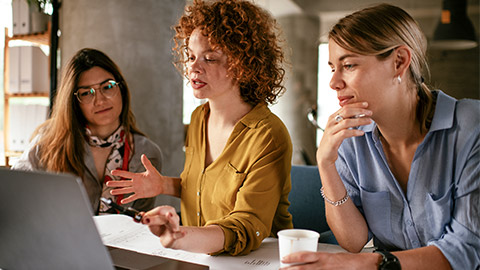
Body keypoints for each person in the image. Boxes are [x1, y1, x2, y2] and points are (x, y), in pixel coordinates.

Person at [282, 3, 480, 270]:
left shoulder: (470, 127)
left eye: (349, 65)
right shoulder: (351, 140)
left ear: (399, 61)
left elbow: (466, 251)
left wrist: (369, 263)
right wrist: (326, 165)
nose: (334, 82)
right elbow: (353, 241)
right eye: (333, 68)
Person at [107, 0, 293, 256]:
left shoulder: (268, 135)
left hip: (252, 260)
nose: (194, 67)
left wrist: (181, 236)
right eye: (191, 56)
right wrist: (163, 185)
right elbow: (201, 186)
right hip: (197, 254)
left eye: (210, 58)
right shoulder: (198, 117)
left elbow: (246, 226)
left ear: (243, 65)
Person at [13, 48, 163, 215]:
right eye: (86, 93)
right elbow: (14, 195)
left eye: (107, 87)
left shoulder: (147, 154)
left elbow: (142, 224)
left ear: (121, 88)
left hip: (119, 242)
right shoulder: (49, 141)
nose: (100, 100)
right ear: (74, 101)